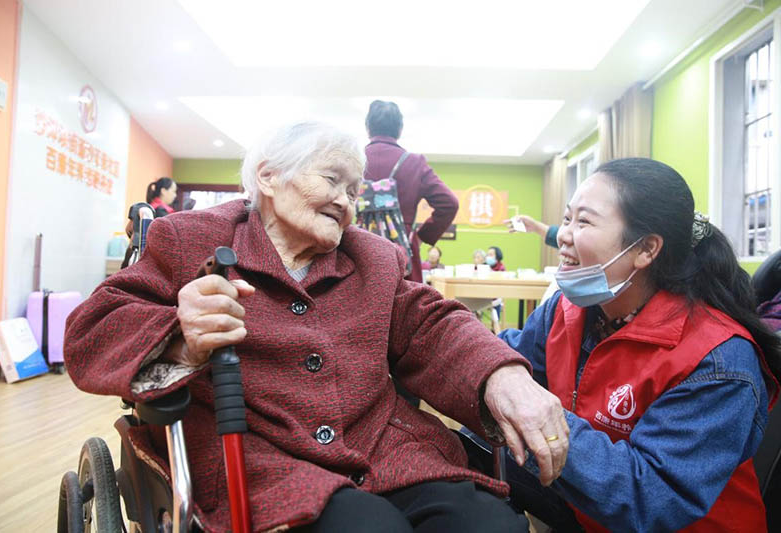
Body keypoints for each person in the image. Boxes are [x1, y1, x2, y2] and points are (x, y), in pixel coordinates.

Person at [64, 122, 569, 533]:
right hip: (256, 457)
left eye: (355, 191)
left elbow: (431, 327)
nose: (348, 203)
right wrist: (179, 333)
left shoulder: (374, 256)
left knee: (488, 524)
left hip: (381, 446)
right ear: (267, 177)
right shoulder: (189, 237)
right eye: (332, 181)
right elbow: (94, 329)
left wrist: (500, 376)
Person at [476, 158, 781, 532]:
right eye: (567, 219)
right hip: (588, 512)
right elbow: (507, 357)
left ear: (646, 249)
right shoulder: (567, 309)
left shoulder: (718, 361)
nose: (564, 236)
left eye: (584, 222)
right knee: (462, 451)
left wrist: (540, 415)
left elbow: (650, 497)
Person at [364, 101, 458, 283]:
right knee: (404, 304)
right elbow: (449, 203)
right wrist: (422, 236)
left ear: (368, 127)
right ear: (400, 129)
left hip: (358, 247)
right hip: (401, 245)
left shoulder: (352, 159)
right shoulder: (414, 163)